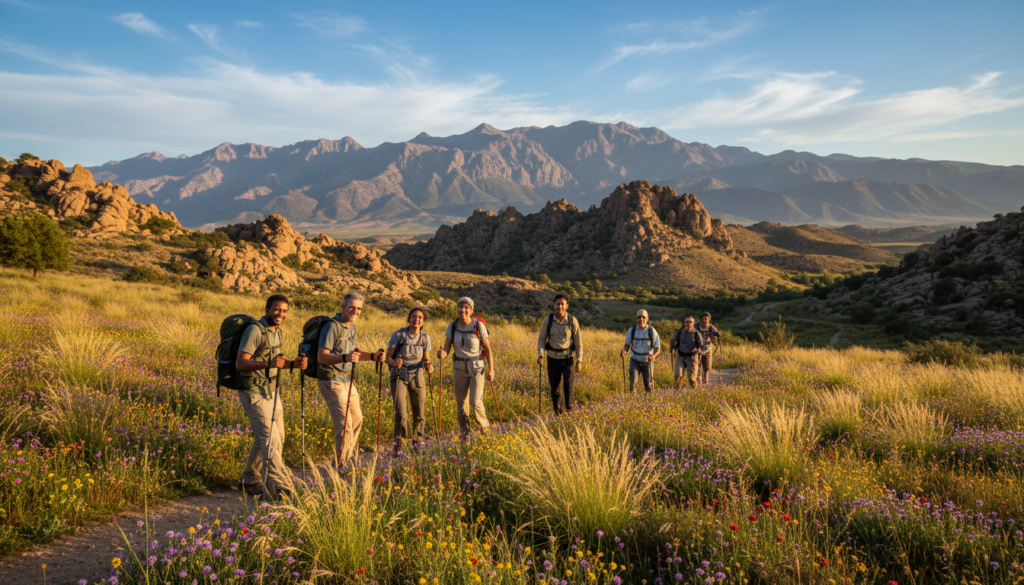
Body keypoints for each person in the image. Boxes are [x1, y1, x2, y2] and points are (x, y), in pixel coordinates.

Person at [235, 294, 308, 498]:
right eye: (277, 310)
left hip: (272, 391)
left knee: (275, 437)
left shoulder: (277, 331)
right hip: (254, 392)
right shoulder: (254, 331)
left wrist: (295, 364)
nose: (281, 314)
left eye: (284, 311)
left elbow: (277, 361)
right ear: (267, 309)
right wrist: (268, 364)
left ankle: (249, 479)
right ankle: (280, 487)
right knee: (271, 440)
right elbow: (240, 363)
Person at [316, 291, 383, 469]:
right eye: (352, 307)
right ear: (343, 306)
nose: (355, 311)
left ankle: (344, 458)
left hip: (347, 380)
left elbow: (354, 353)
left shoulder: (351, 326)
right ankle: (341, 465)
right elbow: (322, 357)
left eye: (359, 308)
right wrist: (344, 358)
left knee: (357, 419)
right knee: (345, 424)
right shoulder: (332, 327)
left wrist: (373, 356)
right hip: (332, 379)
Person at [437, 297, 494, 442]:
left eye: (466, 307)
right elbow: (447, 347)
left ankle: (485, 430)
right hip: (459, 367)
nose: (463, 310)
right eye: (460, 307)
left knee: (475, 402)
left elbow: (487, 348)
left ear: (471, 310)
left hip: (476, 368)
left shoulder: (478, 325)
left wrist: (491, 369)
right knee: (461, 403)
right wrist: (442, 353)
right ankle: (465, 435)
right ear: (457, 309)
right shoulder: (452, 326)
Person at [385, 307, 435, 454]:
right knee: (401, 412)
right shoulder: (399, 335)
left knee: (419, 411)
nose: (416, 319)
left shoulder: (425, 338)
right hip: (400, 374)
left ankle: (418, 444)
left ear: (423, 321)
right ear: (409, 318)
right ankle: (400, 446)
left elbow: (426, 359)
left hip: (418, 374)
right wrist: (394, 363)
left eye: (420, 317)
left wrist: (429, 366)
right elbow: (388, 357)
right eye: (414, 316)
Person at [536, 293, 583, 414]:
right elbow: (541, 339)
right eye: (558, 304)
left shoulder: (572, 320)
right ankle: (558, 413)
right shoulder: (548, 320)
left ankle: (569, 411)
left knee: (569, 386)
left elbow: (578, 342)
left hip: (568, 358)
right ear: (554, 305)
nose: (560, 307)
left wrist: (579, 360)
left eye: (562, 304)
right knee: (555, 388)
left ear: (567, 305)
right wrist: (540, 354)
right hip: (552, 358)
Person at [620, 310, 661, 393]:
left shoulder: (651, 331)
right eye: (639, 317)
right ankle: (632, 401)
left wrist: (654, 356)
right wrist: (624, 351)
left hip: (648, 360)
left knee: (649, 385)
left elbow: (658, 349)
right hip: (634, 359)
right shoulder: (631, 330)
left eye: (643, 317)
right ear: (636, 319)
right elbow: (627, 345)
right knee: (632, 384)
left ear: (647, 319)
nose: (641, 319)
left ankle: (650, 401)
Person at [670, 316, 705, 389]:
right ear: (684, 323)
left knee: (692, 379)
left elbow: (701, 345)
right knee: (678, 375)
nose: (688, 324)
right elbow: (672, 340)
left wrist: (700, 351)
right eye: (686, 322)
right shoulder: (679, 332)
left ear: (693, 324)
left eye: (690, 322)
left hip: (692, 357)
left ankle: (694, 392)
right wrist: (672, 347)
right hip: (681, 356)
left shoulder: (696, 333)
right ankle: (677, 393)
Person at [696, 312, 722, 384]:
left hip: (708, 349)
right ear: (701, 319)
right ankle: (699, 381)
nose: (705, 320)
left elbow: (715, 332)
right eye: (704, 318)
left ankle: (705, 377)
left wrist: (717, 334)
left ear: (709, 320)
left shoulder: (711, 327)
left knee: (707, 365)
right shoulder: (696, 326)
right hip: (698, 349)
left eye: (707, 319)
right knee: (698, 365)